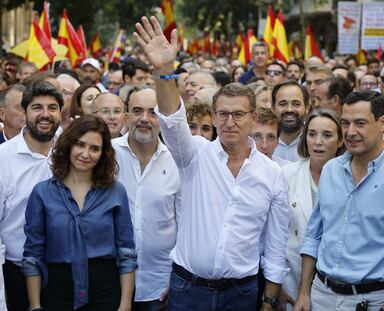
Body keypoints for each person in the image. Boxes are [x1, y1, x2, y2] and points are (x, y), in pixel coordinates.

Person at [134, 16, 290, 311]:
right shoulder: (194, 154)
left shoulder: (272, 173)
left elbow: (275, 243)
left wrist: (269, 299)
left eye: (239, 115)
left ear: (253, 118)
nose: (230, 122)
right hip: (188, 290)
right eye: (223, 114)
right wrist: (164, 70)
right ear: (214, 117)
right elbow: (171, 120)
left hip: (241, 294)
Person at [294, 91, 384, 311]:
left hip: (372, 300)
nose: (350, 132)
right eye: (345, 123)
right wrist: (304, 293)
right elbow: (314, 236)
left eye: (360, 123)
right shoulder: (331, 169)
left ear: (382, 123)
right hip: (321, 295)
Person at [22, 115, 136, 311]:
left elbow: (126, 252)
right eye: (80, 145)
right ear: (68, 145)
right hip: (57, 292)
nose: (85, 153)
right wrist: (35, 306)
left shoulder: (116, 192)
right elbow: (33, 255)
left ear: (103, 154)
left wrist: (125, 305)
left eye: (94, 148)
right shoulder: (42, 193)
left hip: (106, 292)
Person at [112, 86, 181, 311]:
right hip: (110, 284)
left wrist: (177, 281)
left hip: (160, 286)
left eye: (153, 112)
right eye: (137, 111)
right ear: (126, 116)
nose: (144, 119)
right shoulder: (106, 154)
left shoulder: (177, 160)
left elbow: (184, 226)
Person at [0, 81, 63, 311]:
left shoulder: (71, 152)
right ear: (25, 113)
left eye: (52, 108)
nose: (45, 114)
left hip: (64, 273)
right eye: (37, 107)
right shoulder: (3, 159)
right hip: (15, 275)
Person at [281, 109, 344, 310]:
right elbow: (271, 234)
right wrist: (274, 286)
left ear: (341, 141)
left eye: (327, 135)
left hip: (335, 288)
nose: (318, 142)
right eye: (312, 134)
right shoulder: (287, 174)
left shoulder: (351, 178)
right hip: (289, 280)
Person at [272, 80, 309, 162]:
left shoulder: (314, 142)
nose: (289, 110)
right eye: (282, 104)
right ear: (273, 108)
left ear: (307, 107)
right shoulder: (261, 142)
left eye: (296, 104)